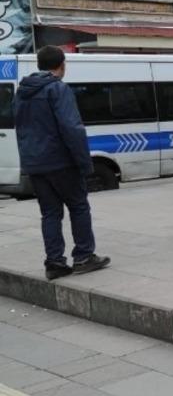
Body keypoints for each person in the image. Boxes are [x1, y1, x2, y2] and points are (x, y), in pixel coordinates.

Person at [13, 46, 111, 280]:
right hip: (61, 161)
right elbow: (72, 128)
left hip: (35, 163)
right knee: (78, 206)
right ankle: (84, 256)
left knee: (49, 213)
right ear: (62, 64)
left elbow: (20, 129)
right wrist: (84, 162)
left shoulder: (21, 93)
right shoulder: (57, 89)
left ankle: (55, 262)